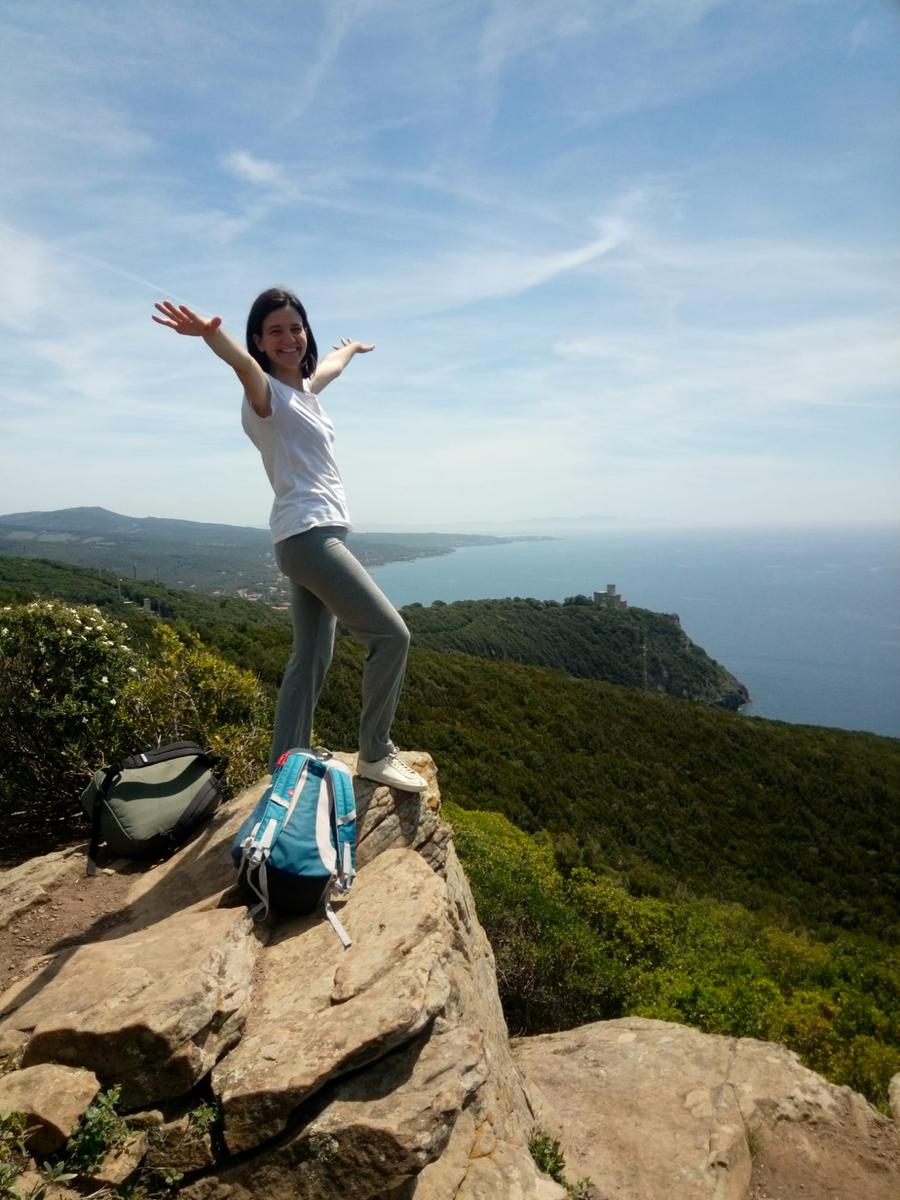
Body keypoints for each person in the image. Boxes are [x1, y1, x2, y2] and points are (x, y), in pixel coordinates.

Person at [152, 287, 426, 792]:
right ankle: (376, 753)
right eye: (274, 330)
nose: (288, 338)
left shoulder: (303, 393)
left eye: (295, 327)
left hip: (309, 536)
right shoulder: (265, 397)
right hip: (309, 537)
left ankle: (287, 760)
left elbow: (331, 369)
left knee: (311, 655)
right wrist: (213, 336)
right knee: (392, 636)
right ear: (258, 339)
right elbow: (241, 366)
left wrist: (353, 349)